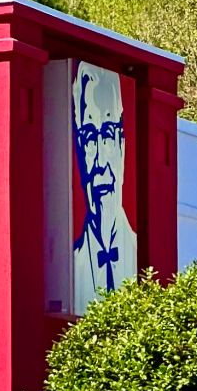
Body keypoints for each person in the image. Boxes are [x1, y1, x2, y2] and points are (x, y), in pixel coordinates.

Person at [71, 62, 134, 308]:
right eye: (88, 138)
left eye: (107, 134)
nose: (99, 161)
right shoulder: (73, 267)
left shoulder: (140, 260)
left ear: (122, 144)